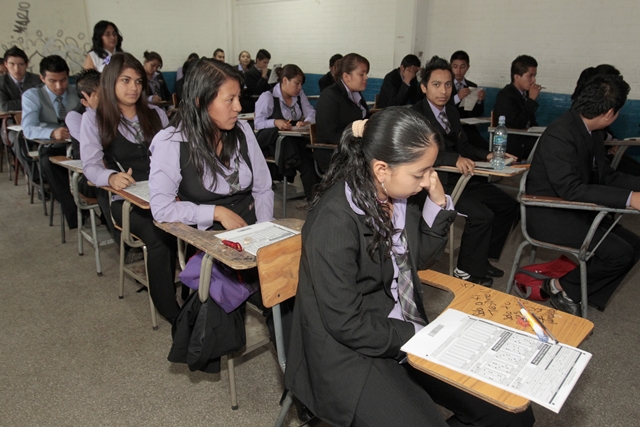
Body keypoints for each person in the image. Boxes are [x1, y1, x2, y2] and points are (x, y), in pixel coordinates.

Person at [284, 107, 535, 427]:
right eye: (421, 173)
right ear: (381, 169)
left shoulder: (396, 197)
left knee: (511, 412)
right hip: (349, 353)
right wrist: (418, 334)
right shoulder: (334, 222)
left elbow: (419, 258)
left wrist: (438, 200)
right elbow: (346, 325)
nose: (429, 179)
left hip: (399, 328)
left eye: (430, 169)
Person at [149, 59, 288, 371]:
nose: (239, 107)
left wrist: (264, 231)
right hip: (212, 239)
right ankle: (300, 377)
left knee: (300, 288)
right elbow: (161, 208)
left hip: (255, 231)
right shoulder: (172, 142)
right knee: (280, 296)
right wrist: (215, 211)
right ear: (201, 101)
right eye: (230, 99)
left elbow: (264, 188)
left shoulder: (241, 131)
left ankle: (303, 372)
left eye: (239, 98)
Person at [526, 74, 640, 315]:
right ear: (609, 113)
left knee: (634, 245)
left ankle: (575, 291)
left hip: (574, 209)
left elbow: (606, 176)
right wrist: (630, 199)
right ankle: (564, 288)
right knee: (620, 252)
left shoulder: (591, 131)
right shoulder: (561, 133)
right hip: (549, 215)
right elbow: (571, 189)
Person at [80, 52, 178, 322]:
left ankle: (199, 299)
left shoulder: (157, 114)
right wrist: (110, 177)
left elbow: (175, 155)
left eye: (137, 81)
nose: (133, 87)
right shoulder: (94, 118)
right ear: (111, 82)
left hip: (165, 193)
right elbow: (90, 166)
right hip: (126, 201)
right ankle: (172, 313)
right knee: (160, 237)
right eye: (125, 80)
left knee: (200, 225)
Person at [411, 56, 518, 287]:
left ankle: (480, 259)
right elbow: (421, 153)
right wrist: (454, 158)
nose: (443, 91)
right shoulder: (416, 115)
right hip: (437, 183)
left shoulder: (451, 112)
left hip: (462, 177)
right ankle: (465, 269)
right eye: (436, 85)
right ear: (424, 87)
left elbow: (465, 145)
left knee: (508, 206)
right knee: (482, 215)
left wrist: (489, 155)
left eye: (448, 84)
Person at [22, 55, 81, 229]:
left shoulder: (76, 92)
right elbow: (28, 128)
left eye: (63, 80)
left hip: (76, 144)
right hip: (51, 146)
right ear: (42, 78)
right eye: (52, 81)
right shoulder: (32, 96)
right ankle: (75, 215)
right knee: (50, 164)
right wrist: (52, 132)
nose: (59, 86)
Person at [255, 64, 318, 202]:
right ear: (284, 80)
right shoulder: (268, 97)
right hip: (274, 143)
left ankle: (315, 197)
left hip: (295, 140)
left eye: (301, 84)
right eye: (297, 83)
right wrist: (275, 122)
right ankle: (313, 200)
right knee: (306, 163)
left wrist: (306, 122)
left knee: (313, 160)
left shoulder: (299, 96)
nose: (300, 87)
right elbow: (258, 123)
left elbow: (311, 113)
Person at [315, 53, 370, 173]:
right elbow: (329, 134)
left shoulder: (356, 95)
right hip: (335, 154)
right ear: (346, 77)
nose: (366, 78)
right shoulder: (330, 96)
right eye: (361, 74)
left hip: (354, 149)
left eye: (366, 74)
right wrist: (359, 139)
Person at [494, 55, 542, 160]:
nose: (533, 80)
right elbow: (517, 123)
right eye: (530, 76)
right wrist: (531, 101)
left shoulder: (524, 94)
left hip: (525, 140)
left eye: (535, 76)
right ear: (517, 77)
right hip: (513, 144)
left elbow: (531, 122)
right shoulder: (506, 95)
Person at [448, 50, 488, 150]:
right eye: (455, 66)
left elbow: (477, 113)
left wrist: (479, 100)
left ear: (468, 67)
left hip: (468, 127)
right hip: (450, 126)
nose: (458, 71)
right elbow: (443, 106)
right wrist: (458, 97)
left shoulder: (472, 86)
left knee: (483, 146)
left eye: (462, 67)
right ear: (450, 66)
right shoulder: (446, 84)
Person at [1, 46, 41, 111]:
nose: (16, 69)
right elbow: (4, 106)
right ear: (6, 64)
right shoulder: (1, 82)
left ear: (27, 64)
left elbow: (41, 102)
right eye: (12, 64)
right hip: (10, 120)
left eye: (21, 64)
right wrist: (30, 101)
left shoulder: (37, 80)